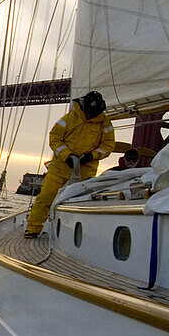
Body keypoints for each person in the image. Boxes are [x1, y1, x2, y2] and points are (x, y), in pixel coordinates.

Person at [25, 91, 115, 237]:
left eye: (93, 113)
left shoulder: (105, 124)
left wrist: (92, 155)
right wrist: (67, 155)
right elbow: (54, 138)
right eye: (88, 112)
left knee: (81, 203)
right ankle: (33, 228)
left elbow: (108, 146)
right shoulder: (69, 119)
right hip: (59, 169)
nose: (89, 115)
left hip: (85, 171)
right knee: (45, 198)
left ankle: (76, 234)